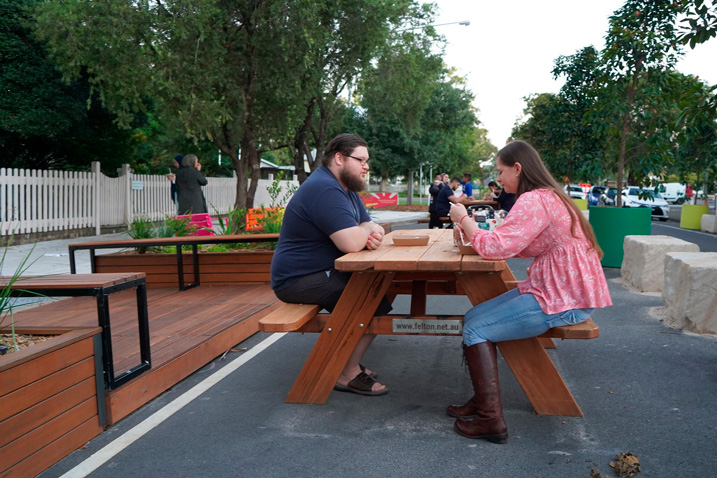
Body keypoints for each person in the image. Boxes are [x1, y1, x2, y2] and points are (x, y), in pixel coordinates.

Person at [447, 140, 612, 444]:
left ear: (518, 168)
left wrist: (464, 219)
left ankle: (490, 420)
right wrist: (480, 230)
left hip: (562, 300)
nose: (499, 179)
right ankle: (482, 401)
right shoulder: (549, 196)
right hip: (560, 292)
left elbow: (495, 249)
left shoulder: (534, 200)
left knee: (476, 329)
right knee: (473, 316)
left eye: (501, 172)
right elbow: (523, 245)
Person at [270, 133, 392, 396]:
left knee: (377, 294)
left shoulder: (345, 189)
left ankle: (347, 362)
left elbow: (370, 226)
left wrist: (366, 231)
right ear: (339, 158)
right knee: (370, 304)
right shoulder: (324, 188)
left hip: (320, 271)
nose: (366, 166)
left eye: (367, 161)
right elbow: (351, 242)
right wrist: (364, 232)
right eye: (361, 160)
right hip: (299, 279)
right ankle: (346, 372)